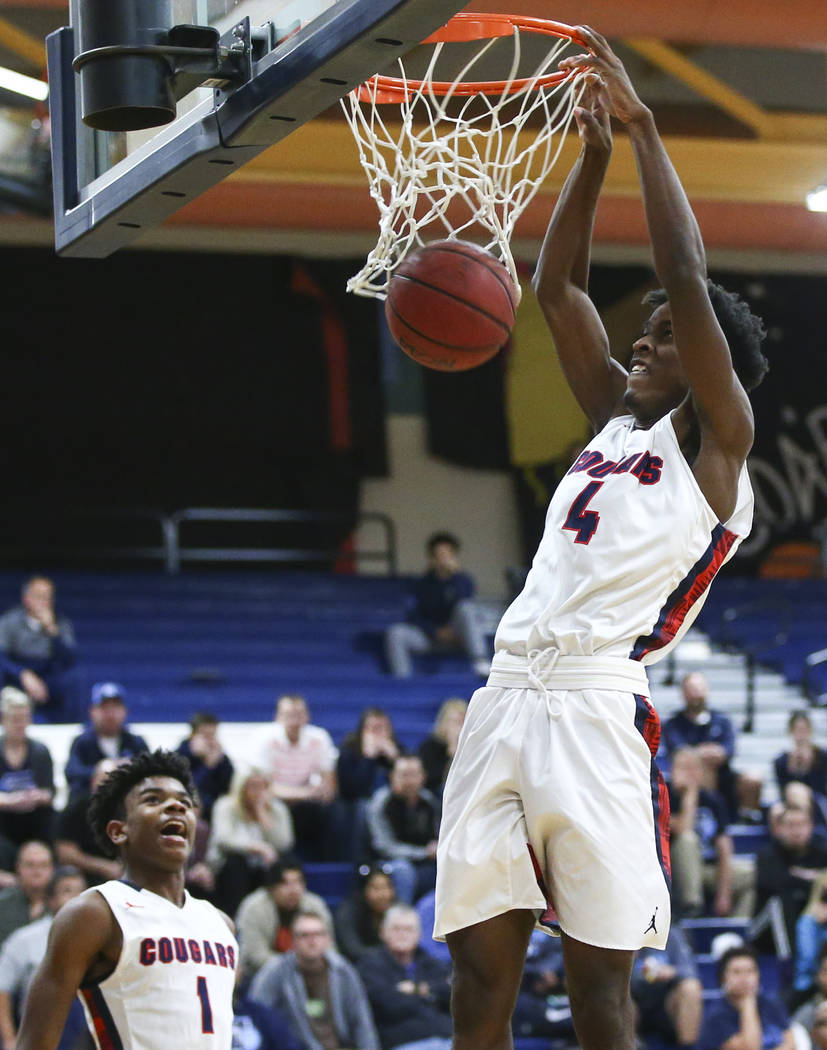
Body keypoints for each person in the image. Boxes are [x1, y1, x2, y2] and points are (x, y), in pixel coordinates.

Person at [432, 28, 769, 1050]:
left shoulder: (717, 448)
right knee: (480, 979)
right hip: (503, 695)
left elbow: (680, 264)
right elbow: (557, 292)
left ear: (707, 363)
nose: (640, 339)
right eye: (646, 329)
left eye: (664, 334)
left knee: (597, 998)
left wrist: (643, 130)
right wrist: (586, 161)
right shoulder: (611, 423)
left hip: (592, 710)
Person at [14, 749, 238, 1050]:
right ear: (119, 831)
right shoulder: (95, 912)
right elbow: (33, 1043)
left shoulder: (221, 923)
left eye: (185, 802)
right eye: (153, 800)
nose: (175, 806)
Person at [249, 909, 379, 1050]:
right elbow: (255, 1016)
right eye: (304, 935)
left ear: (328, 939)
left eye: (318, 934)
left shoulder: (343, 970)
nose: (312, 941)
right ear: (292, 941)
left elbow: (362, 1022)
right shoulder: (275, 972)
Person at [384, 532, 497, 679]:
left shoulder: (463, 580)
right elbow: (414, 616)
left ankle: (480, 662)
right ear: (431, 558)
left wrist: (455, 576)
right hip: (431, 637)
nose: (443, 559)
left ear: (455, 556)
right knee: (396, 633)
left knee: (466, 608)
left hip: (459, 636)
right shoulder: (422, 584)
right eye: (439, 555)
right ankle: (403, 681)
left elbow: (465, 603)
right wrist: (435, 631)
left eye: (447, 554)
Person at [0, 865, 87, 1050]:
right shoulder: (25, 939)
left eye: (81, 892)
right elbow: (2, 989)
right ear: (51, 900)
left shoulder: (103, 938)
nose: (76, 898)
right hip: (40, 1033)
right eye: (67, 891)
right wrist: (9, 1040)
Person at [662, 671, 762, 823]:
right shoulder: (673, 724)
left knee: (753, 778)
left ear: (707, 690)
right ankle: (707, 818)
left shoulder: (722, 720)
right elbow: (678, 751)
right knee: (702, 769)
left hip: (724, 775)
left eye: (699, 688)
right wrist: (704, 753)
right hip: (690, 780)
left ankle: (746, 820)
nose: (696, 694)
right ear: (683, 693)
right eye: (691, 689)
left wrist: (709, 752)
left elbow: (729, 750)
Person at [668, 745, 754, 918]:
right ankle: (692, 907)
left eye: (694, 768)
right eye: (684, 767)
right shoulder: (663, 796)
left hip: (706, 868)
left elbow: (724, 846)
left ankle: (736, 931)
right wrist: (690, 795)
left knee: (750, 873)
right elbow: (683, 829)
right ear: (673, 770)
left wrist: (724, 893)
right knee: (688, 840)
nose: (689, 774)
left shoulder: (713, 800)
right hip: (673, 869)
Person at [356, 904, 453, 1050]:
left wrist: (415, 989)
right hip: (402, 1042)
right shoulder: (370, 965)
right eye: (396, 929)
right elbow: (387, 1004)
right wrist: (430, 995)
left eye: (408, 929)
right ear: (382, 932)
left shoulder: (431, 962)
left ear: (419, 934)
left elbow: (452, 993)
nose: (402, 934)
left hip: (446, 1038)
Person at [256, 694, 338, 862]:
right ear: (278, 717)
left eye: (299, 715)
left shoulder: (319, 737)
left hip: (306, 801)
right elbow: (263, 787)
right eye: (289, 715)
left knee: (332, 809)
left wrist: (321, 792)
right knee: (268, 806)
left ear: (307, 716)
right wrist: (304, 793)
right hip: (275, 800)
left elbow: (329, 781)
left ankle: (325, 862)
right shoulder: (264, 738)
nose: (294, 721)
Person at [207, 766, 295, 917]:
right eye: (253, 785)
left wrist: (263, 815)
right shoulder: (226, 806)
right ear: (241, 787)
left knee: (283, 866)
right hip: (230, 865)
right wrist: (256, 847)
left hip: (264, 865)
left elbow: (284, 844)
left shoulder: (277, 809)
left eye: (263, 786)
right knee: (236, 865)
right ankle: (234, 918)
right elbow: (223, 839)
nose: (258, 791)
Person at [235, 856, 333, 982]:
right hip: (261, 975)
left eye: (298, 882)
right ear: (271, 887)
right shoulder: (253, 908)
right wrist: (294, 968)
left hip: (310, 972)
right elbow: (254, 955)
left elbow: (329, 947)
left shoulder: (315, 905)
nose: (294, 890)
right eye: (285, 883)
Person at [752, 804, 827, 957]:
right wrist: (815, 878)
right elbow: (776, 884)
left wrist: (798, 876)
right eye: (791, 825)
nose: (796, 830)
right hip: (765, 929)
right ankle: (789, 964)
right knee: (780, 902)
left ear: (811, 827)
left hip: (808, 921)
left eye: (801, 824)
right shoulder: (767, 855)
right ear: (779, 828)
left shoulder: (821, 854)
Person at [0, 576, 78, 721]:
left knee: (73, 681)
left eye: (48, 597)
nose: (44, 601)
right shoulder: (9, 622)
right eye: (39, 596)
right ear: (26, 599)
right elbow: (2, 657)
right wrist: (22, 674)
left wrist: (52, 631)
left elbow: (69, 659)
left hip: (49, 679)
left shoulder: (61, 625)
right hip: (17, 677)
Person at [367, 755, 440, 905]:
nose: (409, 781)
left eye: (414, 775)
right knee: (403, 870)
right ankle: (403, 915)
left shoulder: (429, 802)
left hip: (425, 861)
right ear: (392, 777)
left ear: (423, 777)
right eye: (404, 775)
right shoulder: (381, 802)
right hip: (387, 862)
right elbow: (385, 847)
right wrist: (423, 853)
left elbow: (438, 835)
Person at [63, 682, 148, 803]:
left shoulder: (136, 742)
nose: (110, 713)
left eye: (115, 707)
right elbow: (72, 773)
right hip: (89, 805)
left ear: (125, 711)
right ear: (92, 711)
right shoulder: (82, 742)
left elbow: (149, 771)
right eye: (104, 707)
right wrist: (99, 771)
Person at [697, 944, 794, 1050]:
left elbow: (791, 1044)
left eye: (750, 971)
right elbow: (749, 1048)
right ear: (723, 978)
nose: (744, 978)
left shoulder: (772, 1004)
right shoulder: (715, 1016)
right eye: (736, 972)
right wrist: (748, 1004)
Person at [0, 687, 55, 856]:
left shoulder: (40, 751)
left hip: (34, 819)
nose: (20, 725)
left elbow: (50, 792)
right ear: (3, 720)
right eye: (15, 719)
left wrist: (37, 796)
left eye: (25, 719)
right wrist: (9, 800)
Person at [630, 924, 703, 1050]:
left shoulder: (671, 934)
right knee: (619, 995)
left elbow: (690, 972)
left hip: (666, 1003)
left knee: (691, 988)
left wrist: (671, 972)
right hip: (634, 1001)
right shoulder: (621, 935)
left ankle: (687, 1048)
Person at [55, 758, 124, 886]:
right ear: (93, 782)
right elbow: (65, 853)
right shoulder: (75, 809)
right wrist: (104, 867)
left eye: (114, 781)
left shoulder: (129, 811)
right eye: (103, 780)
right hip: (84, 877)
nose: (108, 786)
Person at [175, 712, 234, 823]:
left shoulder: (220, 758)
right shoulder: (179, 756)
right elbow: (189, 789)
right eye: (206, 735)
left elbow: (229, 786)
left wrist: (221, 762)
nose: (210, 740)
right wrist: (207, 767)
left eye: (213, 735)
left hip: (216, 809)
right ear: (192, 735)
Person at [334, 864, 398, 964]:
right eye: (376, 888)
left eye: (386, 887)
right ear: (363, 890)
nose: (383, 894)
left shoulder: (397, 911)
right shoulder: (348, 912)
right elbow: (352, 950)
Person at [0, 840, 54, 948]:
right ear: (18, 867)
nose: (37, 871)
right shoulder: (2, 904)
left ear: (52, 869)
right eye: (30, 865)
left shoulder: (61, 903)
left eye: (43, 865)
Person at [775, 711, 827, 804]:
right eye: (798, 730)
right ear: (791, 731)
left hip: (816, 801)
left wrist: (809, 764)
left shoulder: (822, 756)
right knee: (776, 811)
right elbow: (783, 789)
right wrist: (793, 767)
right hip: (791, 801)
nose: (801, 735)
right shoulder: (781, 761)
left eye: (804, 730)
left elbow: (820, 786)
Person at [417, 699, 467, 798]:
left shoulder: (473, 746)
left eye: (463, 722)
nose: (460, 727)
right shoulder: (430, 746)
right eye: (456, 722)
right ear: (444, 723)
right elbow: (430, 781)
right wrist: (452, 752)